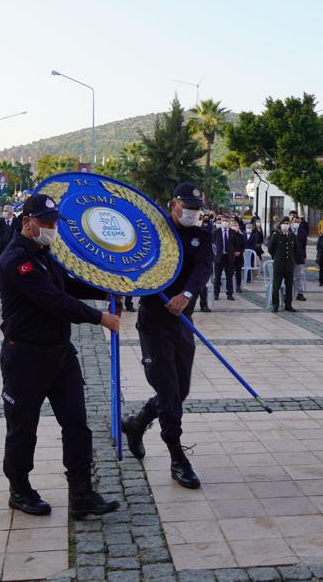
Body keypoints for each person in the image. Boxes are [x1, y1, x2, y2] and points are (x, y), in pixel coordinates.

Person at [0, 193, 121, 518]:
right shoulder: (16, 261)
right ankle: (19, 489)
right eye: (46, 223)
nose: (52, 229)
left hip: (60, 355)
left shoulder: (43, 253)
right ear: (27, 222)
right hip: (25, 357)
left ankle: (81, 493)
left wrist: (106, 291)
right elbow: (53, 299)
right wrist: (100, 318)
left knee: (77, 423)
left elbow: (66, 285)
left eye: (55, 223)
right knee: (23, 427)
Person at [122, 183, 213, 489]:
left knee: (181, 389)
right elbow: (133, 260)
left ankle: (136, 423)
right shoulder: (154, 232)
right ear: (173, 203)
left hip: (182, 321)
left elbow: (202, 270)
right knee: (169, 391)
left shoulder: (202, 235)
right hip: (154, 322)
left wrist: (186, 295)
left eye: (197, 209)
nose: (192, 213)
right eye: (187, 207)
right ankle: (177, 457)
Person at [267, 217, 297, 313]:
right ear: (280, 224)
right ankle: (275, 305)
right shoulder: (276, 235)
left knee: (289, 286)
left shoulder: (292, 235)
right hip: (279, 265)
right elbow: (270, 248)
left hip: (289, 265)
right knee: (277, 286)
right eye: (284, 223)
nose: (286, 225)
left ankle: (288, 305)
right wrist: (276, 257)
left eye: (287, 223)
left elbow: (295, 249)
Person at [213, 218, 242, 301]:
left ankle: (230, 294)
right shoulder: (216, 232)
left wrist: (237, 251)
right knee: (217, 277)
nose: (225, 222)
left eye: (226, 221)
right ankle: (216, 293)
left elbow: (237, 243)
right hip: (219, 257)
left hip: (229, 257)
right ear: (221, 222)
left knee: (229, 276)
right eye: (223, 221)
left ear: (229, 223)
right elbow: (212, 243)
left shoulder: (233, 232)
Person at [291, 213, 308, 301]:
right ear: (292, 222)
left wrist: (304, 255)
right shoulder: (288, 230)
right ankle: (287, 293)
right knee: (288, 276)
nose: (296, 223)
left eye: (298, 222)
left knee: (298, 276)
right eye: (295, 222)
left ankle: (299, 293)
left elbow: (304, 244)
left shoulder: (302, 231)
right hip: (289, 257)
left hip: (299, 256)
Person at [243, 219, 263, 285]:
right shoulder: (243, 234)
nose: (249, 229)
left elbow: (254, 245)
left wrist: (248, 250)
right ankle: (243, 278)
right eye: (247, 227)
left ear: (252, 228)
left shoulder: (254, 235)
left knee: (250, 265)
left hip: (251, 253)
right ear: (245, 228)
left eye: (250, 227)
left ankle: (249, 278)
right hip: (243, 253)